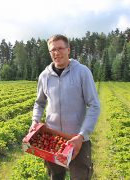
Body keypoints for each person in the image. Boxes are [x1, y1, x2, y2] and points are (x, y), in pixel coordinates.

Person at [30, 34, 100, 180]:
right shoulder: (44, 76)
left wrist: (81, 135)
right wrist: (35, 121)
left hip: (77, 139)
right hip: (52, 138)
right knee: (55, 176)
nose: (56, 53)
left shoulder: (82, 72)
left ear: (68, 49)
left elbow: (94, 105)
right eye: (53, 50)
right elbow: (40, 102)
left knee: (80, 176)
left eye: (60, 48)